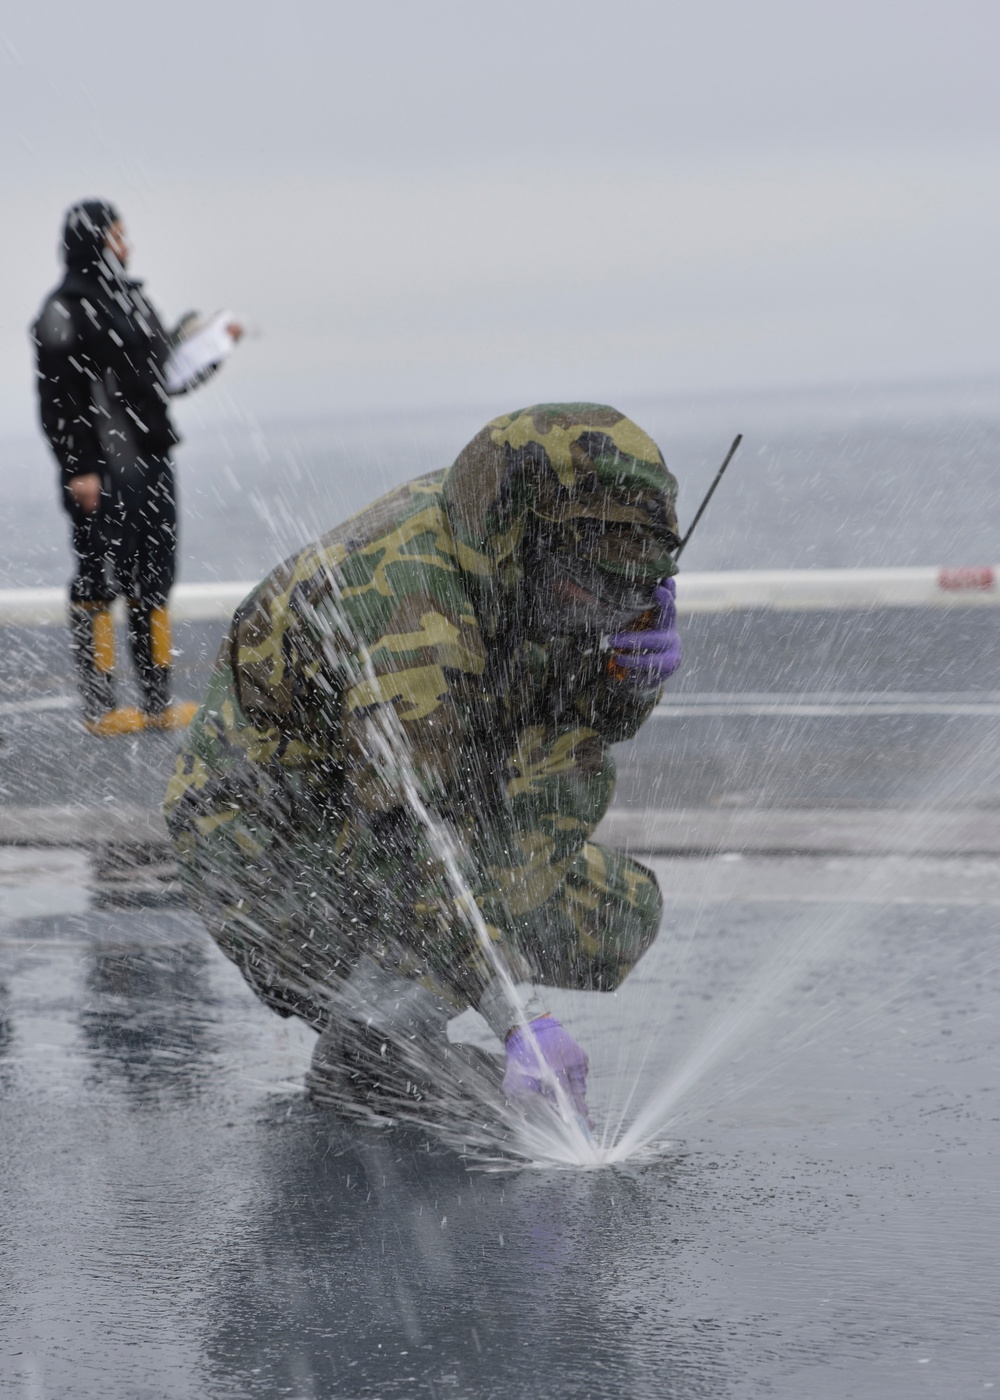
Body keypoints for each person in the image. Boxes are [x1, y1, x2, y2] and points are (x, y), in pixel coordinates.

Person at [164, 404, 682, 1125]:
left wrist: (628, 680)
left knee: (618, 918)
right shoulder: (414, 613)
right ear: (526, 535)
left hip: (365, 819)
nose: (596, 602)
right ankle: (370, 1046)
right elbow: (415, 842)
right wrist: (518, 1017)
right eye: (587, 581)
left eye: (621, 586)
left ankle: (390, 1013)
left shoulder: (521, 559)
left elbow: (574, 721)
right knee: (522, 812)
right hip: (266, 859)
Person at [31, 199, 238, 736]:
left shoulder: (132, 299)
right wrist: (78, 467)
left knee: (154, 578)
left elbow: (159, 377)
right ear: (97, 239)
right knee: (98, 579)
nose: (128, 245)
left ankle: (155, 701)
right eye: (119, 235)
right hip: (100, 469)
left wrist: (209, 348)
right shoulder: (65, 308)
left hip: (150, 460)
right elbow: (58, 398)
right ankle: (101, 707)